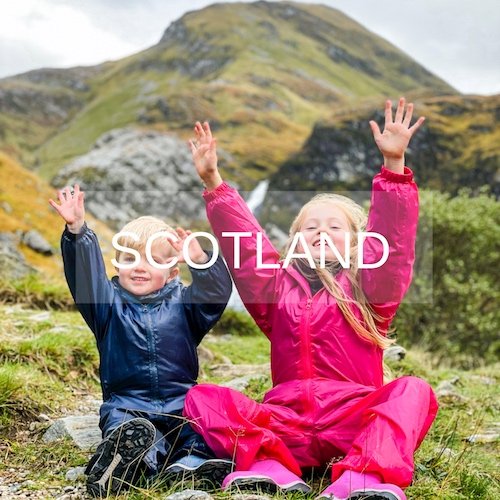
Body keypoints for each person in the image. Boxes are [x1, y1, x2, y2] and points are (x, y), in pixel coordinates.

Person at [183, 98, 438, 500]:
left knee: (413, 391)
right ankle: (272, 467)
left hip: (352, 421)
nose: (320, 232)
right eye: (309, 227)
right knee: (202, 397)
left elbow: (395, 243)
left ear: (358, 242)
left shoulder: (372, 289)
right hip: (286, 424)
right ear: (295, 240)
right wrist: (214, 183)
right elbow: (248, 250)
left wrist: (393, 168)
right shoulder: (274, 288)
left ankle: (365, 476)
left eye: (334, 226)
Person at [49, 189, 233, 497]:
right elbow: (84, 274)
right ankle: (126, 465)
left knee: (199, 429)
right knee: (133, 436)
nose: (139, 266)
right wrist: (78, 232)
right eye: (129, 258)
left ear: (173, 272)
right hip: (126, 404)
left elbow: (214, 294)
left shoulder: (185, 305)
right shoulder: (104, 304)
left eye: (152, 259)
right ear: (117, 264)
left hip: (181, 402)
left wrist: (200, 260)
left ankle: (191, 466)